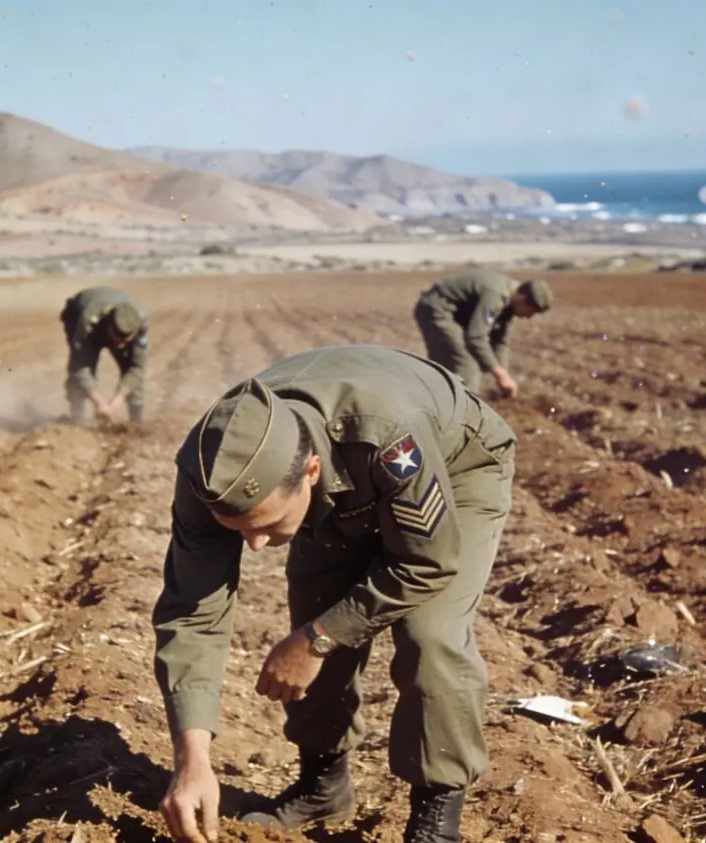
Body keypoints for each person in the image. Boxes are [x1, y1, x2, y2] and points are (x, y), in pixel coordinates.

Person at [151, 344, 517, 843]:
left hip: (453, 465)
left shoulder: (390, 438)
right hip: (347, 474)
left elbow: (426, 562)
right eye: (239, 530)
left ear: (310, 472)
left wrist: (319, 638)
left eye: (267, 524)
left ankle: (436, 816)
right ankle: (322, 786)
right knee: (316, 606)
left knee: (430, 633)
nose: (255, 545)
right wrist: (191, 759)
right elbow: (192, 610)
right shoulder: (210, 471)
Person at [412, 268, 553, 400]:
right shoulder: (496, 296)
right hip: (437, 310)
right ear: (522, 299)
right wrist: (499, 374)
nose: (529, 317)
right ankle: (462, 411)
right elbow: (475, 337)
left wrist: (502, 374)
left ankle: (438, 400)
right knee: (467, 365)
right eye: (531, 312)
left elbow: (500, 341)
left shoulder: (510, 301)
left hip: (455, 315)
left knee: (455, 366)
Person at [58, 286, 149, 425]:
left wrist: (115, 404)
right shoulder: (89, 319)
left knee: (133, 375)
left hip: (107, 319)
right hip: (78, 316)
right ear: (109, 326)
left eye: (125, 340)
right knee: (81, 372)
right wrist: (99, 403)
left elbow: (136, 368)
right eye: (117, 338)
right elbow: (79, 367)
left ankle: (137, 422)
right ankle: (77, 420)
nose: (120, 345)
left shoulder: (141, 323)